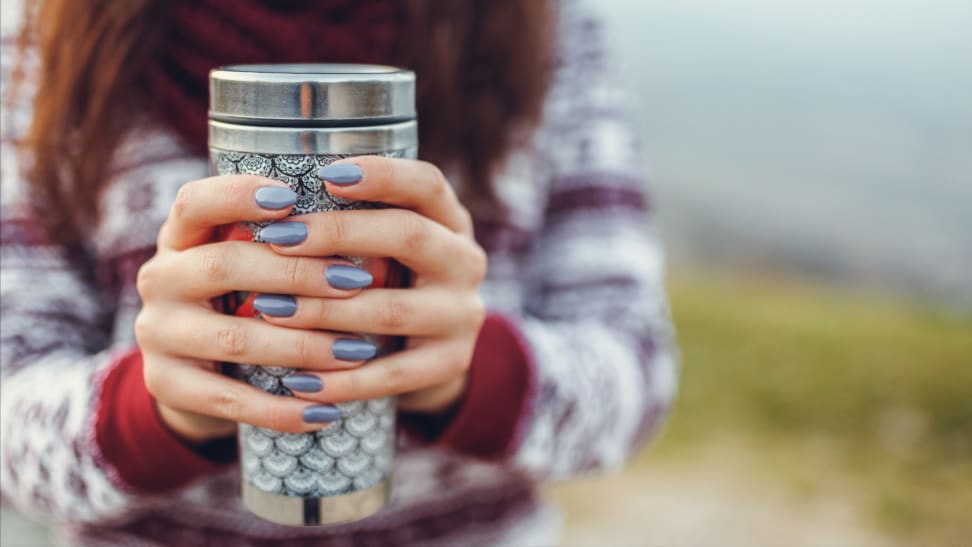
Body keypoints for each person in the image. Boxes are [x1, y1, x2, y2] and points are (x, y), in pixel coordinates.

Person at [0, 0, 678, 544]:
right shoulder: (48, 40)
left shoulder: (547, 29)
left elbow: (637, 368)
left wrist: (475, 374)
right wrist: (153, 407)